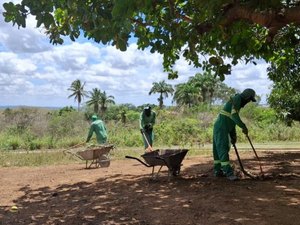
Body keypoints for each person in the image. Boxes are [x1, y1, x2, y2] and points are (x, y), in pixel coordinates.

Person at [212, 88, 256, 181]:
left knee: (218, 150)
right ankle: (228, 173)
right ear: (247, 97)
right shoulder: (238, 99)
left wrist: (233, 135)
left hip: (222, 127)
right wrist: (243, 127)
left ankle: (218, 171)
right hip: (222, 128)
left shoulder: (237, 102)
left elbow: (231, 120)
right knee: (222, 149)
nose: (248, 102)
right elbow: (234, 116)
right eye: (249, 100)